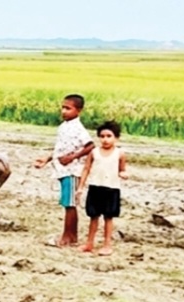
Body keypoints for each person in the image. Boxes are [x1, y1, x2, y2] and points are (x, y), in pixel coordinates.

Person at [32, 94, 94, 247]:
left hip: (72, 170)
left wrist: (73, 157)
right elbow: (60, 148)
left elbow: (90, 146)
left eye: (68, 108)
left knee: (70, 204)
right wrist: (47, 159)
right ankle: (71, 236)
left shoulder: (78, 128)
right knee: (67, 203)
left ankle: (68, 236)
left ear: (79, 111)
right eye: (63, 107)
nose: (64, 111)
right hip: (62, 170)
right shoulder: (64, 127)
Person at [78, 120, 128, 255]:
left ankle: (107, 244)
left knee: (108, 217)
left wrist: (123, 174)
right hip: (95, 187)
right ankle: (89, 243)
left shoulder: (120, 154)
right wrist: (81, 187)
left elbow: (122, 169)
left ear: (116, 138)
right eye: (102, 136)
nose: (105, 139)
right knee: (93, 216)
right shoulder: (94, 152)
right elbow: (86, 169)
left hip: (111, 188)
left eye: (109, 136)